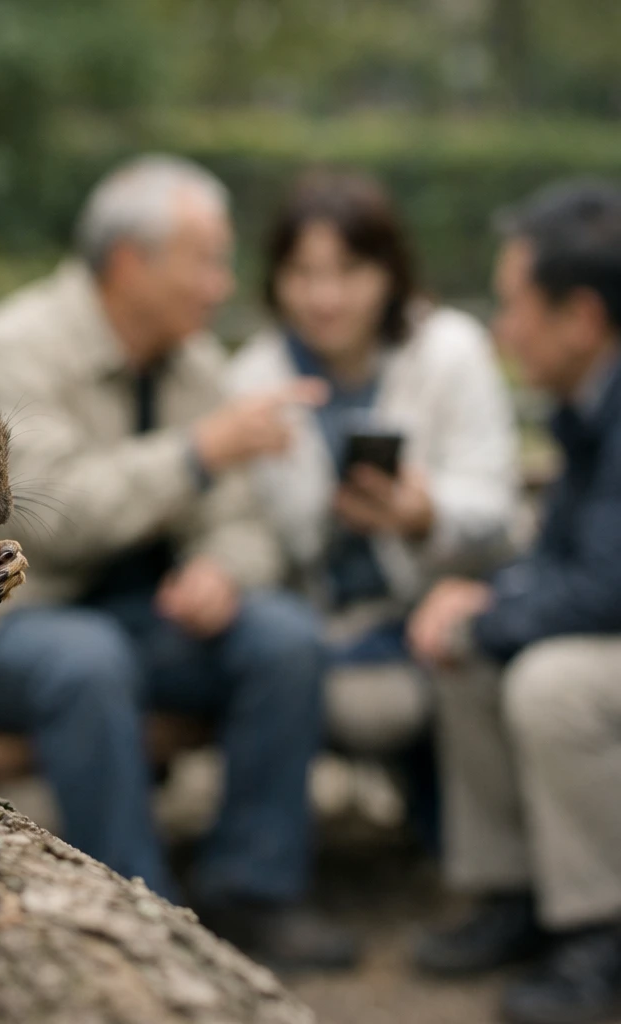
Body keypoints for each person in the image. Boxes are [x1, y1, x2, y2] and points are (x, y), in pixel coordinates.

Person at [0, 155, 357, 970]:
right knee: (87, 662)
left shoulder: (196, 361)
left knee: (283, 637)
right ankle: (142, 923)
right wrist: (198, 453)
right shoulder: (17, 347)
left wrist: (222, 570)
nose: (222, 284)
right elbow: (50, 516)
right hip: (13, 624)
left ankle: (255, 892)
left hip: (151, 622)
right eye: (207, 259)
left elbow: (244, 523)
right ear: (133, 262)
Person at [227, 170, 518, 785]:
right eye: (303, 274)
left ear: (389, 273)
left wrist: (424, 514)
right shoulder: (255, 378)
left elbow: (495, 500)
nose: (323, 298)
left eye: (348, 273)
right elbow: (257, 535)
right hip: (319, 621)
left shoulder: (451, 351)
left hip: (438, 604)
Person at [409, 179, 621, 1024]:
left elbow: (606, 588)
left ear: (581, 317)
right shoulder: (590, 400)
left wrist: (491, 611)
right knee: (469, 647)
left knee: (553, 685)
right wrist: (489, 601)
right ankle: (517, 895)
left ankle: (599, 931)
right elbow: (576, 560)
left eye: (517, 306)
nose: (504, 330)